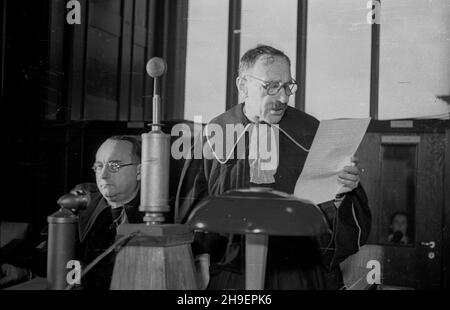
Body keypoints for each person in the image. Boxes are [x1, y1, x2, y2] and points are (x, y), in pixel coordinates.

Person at [176, 45, 371, 290]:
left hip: (299, 275)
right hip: (231, 276)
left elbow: (337, 219)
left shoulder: (311, 132)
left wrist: (344, 191)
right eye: (271, 86)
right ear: (242, 86)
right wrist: (199, 260)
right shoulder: (216, 134)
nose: (283, 98)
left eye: (288, 86)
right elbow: (190, 209)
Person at [0, 135, 144, 289]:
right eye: (99, 166)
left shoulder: (159, 216)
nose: (103, 175)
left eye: (114, 166)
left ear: (139, 171)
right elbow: (47, 254)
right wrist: (23, 270)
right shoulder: (81, 207)